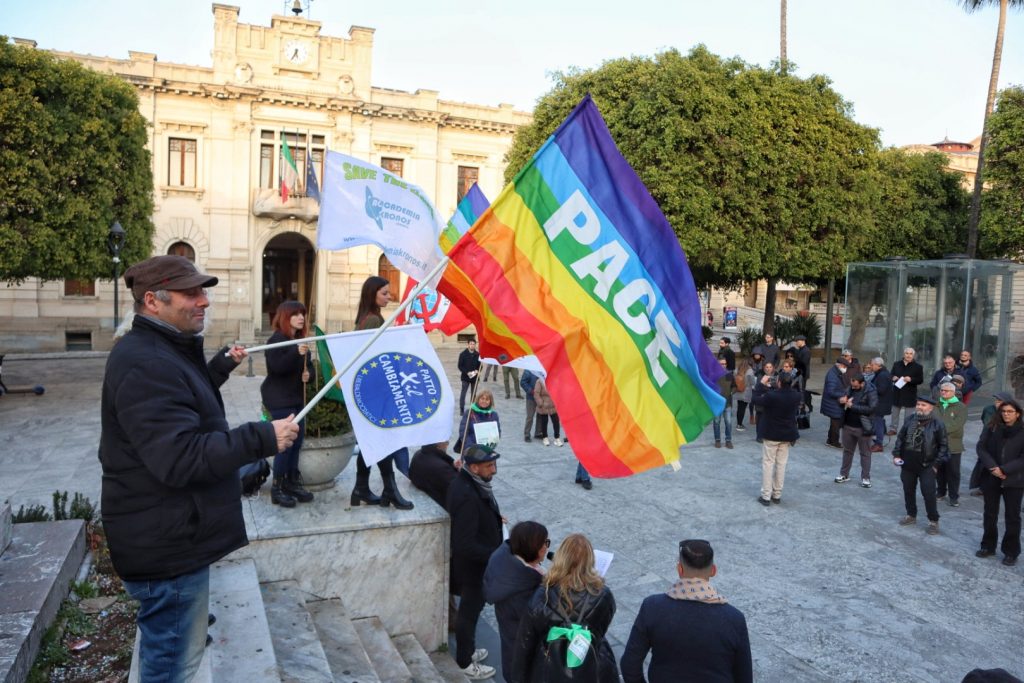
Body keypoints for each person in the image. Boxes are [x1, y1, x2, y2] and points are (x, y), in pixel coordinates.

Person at [99, 255, 299, 682]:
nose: (204, 301)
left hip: (171, 535)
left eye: (203, 291)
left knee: (175, 655)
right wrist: (262, 437)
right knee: (172, 666)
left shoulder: (161, 350)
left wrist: (219, 368)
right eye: (192, 293)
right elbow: (181, 455)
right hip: (166, 548)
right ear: (153, 300)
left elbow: (181, 402)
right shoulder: (146, 362)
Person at [620, 539, 752, 683]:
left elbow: (629, 664)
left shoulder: (652, 607)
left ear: (680, 569)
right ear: (713, 570)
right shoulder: (734, 618)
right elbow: (744, 676)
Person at [511, 533, 618, 683]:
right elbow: (601, 630)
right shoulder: (604, 595)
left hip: (549, 669)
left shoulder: (543, 595)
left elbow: (525, 644)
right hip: (593, 667)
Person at [350, 276, 413, 510]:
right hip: (377, 392)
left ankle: (362, 488)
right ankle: (389, 490)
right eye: (385, 293)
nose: (390, 297)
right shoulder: (373, 320)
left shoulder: (368, 317)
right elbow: (372, 358)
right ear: (372, 294)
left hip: (371, 391)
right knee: (382, 441)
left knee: (370, 442)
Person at [447, 444, 503, 680]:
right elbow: (464, 544)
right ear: (474, 467)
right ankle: (464, 661)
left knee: (471, 612)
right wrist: (495, 555)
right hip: (473, 568)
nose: (495, 470)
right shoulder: (468, 495)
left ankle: (467, 649)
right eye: (489, 466)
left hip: (476, 564)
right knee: (469, 614)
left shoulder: (471, 483)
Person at [260, 300, 314, 508]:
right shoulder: (277, 340)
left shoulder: (299, 340)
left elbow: (308, 368)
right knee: (285, 444)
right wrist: (295, 353)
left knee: (297, 442)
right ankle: (277, 487)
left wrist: (309, 374)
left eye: (303, 314)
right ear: (285, 317)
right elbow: (277, 367)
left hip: (296, 398)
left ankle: (291, 482)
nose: (301, 318)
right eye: (296, 314)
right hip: (280, 399)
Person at [483, 521, 549, 683]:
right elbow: (542, 621)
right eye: (545, 543)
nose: (547, 547)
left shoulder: (504, 559)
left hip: (512, 646)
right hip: (526, 658)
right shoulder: (526, 587)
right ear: (535, 549)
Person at [975, 397, 1024, 566]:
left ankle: (1011, 551)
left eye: (1010, 412)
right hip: (992, 476)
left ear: (1017, 414)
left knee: (1012, 516)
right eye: (1003, 411)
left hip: (1014, 479)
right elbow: (981, 448)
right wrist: (993, 468)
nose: (1006, 415)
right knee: (990, 513)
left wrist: (1004, 470)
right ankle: (988, 546)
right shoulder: (992, 427)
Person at [892, 396, 949, 536]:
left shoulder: (937, 424)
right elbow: (900, 438)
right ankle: (911, 515)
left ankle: (933, 521)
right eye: (918, 404)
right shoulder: (910, 420)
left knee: (929, 494)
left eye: (923, 405)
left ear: (931, 408)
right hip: (908, 464)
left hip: (927, 465)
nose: (919, 407)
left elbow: (944, 446)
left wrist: (936, 464)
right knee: (908, 490)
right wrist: (897, 455)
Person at [752, 371, 801, 506]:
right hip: (787, 435)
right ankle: (777, 494)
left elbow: (755, 399)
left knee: (768, 464)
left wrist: (761, 384)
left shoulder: (772, 396)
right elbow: (783, 393)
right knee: (781, 465)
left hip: (771, 434)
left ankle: (766, 495)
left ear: (779, 382)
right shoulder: (796, 396)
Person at [834, 372, 877, 488]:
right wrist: (841, 400)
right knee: (847, 451)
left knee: (865, 453)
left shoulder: (870, 392)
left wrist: (853, 406)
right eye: (852, 385)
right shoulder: (850, 388)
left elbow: (872, 408)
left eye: (855, 385)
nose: (853, 387)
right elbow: (843, 400)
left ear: (862, 384)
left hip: (863, 428)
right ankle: (844, 474)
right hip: (848, 425)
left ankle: (866, 478)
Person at [971, 392, 1015, 495]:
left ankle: (1004, 487)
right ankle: (982, 487)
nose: (997, 403)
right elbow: (985, 421)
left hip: (1003, 442)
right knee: (984, 464)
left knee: (1003, 465)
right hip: (987, 439)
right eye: (996, 400)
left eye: (1000, 401)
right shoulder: (988, 409)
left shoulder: (1010, 411)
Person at [935, 382, 968, 507]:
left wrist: (938, 430)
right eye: (942, 390)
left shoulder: (961, 407)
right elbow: (931, 420)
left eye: (947, 391)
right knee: (939, 470)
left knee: (953, 472)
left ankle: (954, 496)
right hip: (937, 444)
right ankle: (941, 492)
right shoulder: (936, 405)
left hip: (953, 445)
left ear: (953, 392)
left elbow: (957, 425)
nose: (943, 392)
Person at [408, 441, 459, 510]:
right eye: (446, 441)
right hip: (442, 502)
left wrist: (452, 465)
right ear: (438, 445)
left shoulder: (418, 453)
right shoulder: (441, 468)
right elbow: (458, 488)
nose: (448, 444)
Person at [889, 347, 924, 435]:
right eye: (907, 353)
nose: (908, 355)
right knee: (895, 413)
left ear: (913, 355)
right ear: (903, 354)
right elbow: (891, 375)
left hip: (910, 393)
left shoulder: (918, 367)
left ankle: (907, 430)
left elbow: (920, 380)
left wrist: (911, 379)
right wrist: (893, 377)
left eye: (910, 354)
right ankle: (893, 429)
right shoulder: (896, 364)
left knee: (909, 415)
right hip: (897, 392)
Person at [820, 357, 850, 449]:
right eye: (845, 366)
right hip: (833, 403)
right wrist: (843, 394)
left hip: (833, 403)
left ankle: (830, 440)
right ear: (840, 365)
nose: (845, 369)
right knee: (836, 423)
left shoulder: (836, 372)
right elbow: (831, 391)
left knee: (834, 423)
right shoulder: (832, 375)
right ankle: (834, 442)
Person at [868, 357, 892, 452]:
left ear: (878, 365)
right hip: (880, 403)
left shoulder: (882, 375)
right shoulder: (881, 373)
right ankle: (878, 440)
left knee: (878, 423)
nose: (871, 366)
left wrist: (870, 389)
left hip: (880, 404)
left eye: (873, 365)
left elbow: (881, 390)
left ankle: (879, 444)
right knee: (878, 422)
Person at [735, 352, 763, 432]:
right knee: (742, 408)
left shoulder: (738, 369)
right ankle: (739, 425)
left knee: (739, 407)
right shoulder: (750, 371)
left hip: (738, 391)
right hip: (746, 392)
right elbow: (753, 382)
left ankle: (738, 423)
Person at [713, 358, 736, 449]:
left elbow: (734, 386)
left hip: (727, 404)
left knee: (728, 422)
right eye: (721, 364)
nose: (723, 365)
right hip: (717, 404)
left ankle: (728, 440)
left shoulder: (729, 375)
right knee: (716, 422)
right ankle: (717, 440)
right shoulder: (714, 375)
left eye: (724, 364)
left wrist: (731, 392)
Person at [458, 339, 482, 416]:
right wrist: (466, 372)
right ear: (468, 345)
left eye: (473, 344)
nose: (472, 345)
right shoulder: (463, 354)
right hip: (465, 377)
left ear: (475, 345)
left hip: (475, 377)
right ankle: (462, 409)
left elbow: (480, 366)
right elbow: (460, 366)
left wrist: (478, 371)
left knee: (474, 394)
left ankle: (473, 409)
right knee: (463, 393)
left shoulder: (478, 355)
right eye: (471, 344)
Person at [521, 369, 541, 443]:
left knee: (540, 415)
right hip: (531, 397)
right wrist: (531, 391)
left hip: (540, 396)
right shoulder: (528, 370)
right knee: (530, 416)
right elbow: (523, 382)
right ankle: (527, 434)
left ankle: (538, 432)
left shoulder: (541, 369)